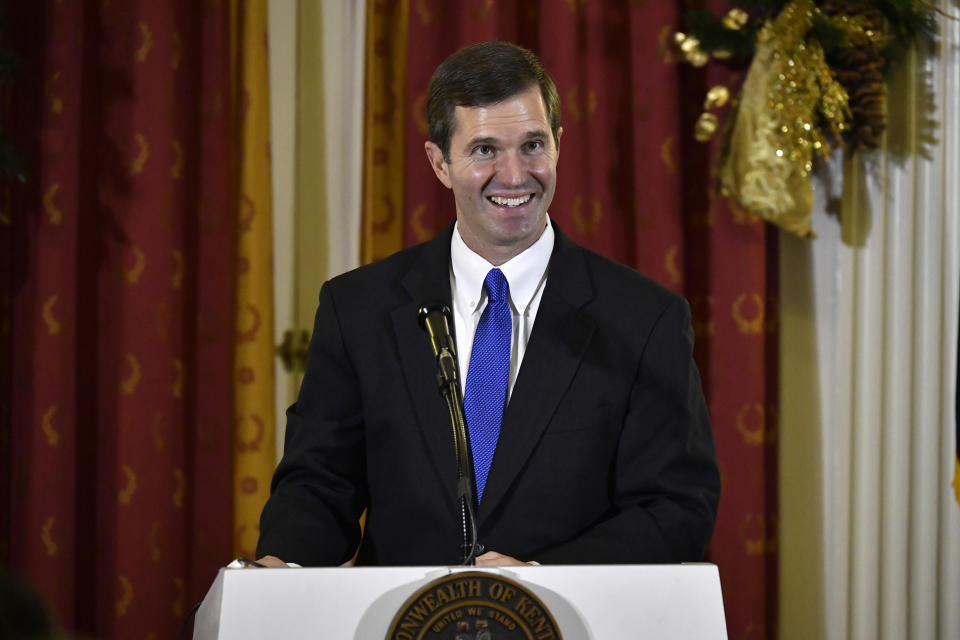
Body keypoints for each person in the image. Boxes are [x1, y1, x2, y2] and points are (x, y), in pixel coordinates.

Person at [256, 41, 719, 567]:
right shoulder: (357, 308)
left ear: (559, 146)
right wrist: (281, 567)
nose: (516, 175)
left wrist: (541, 581)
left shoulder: (644, 318)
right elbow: (319, 483)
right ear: (440, 163)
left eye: (532, 145)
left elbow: (677, 507)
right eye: (484, 150)